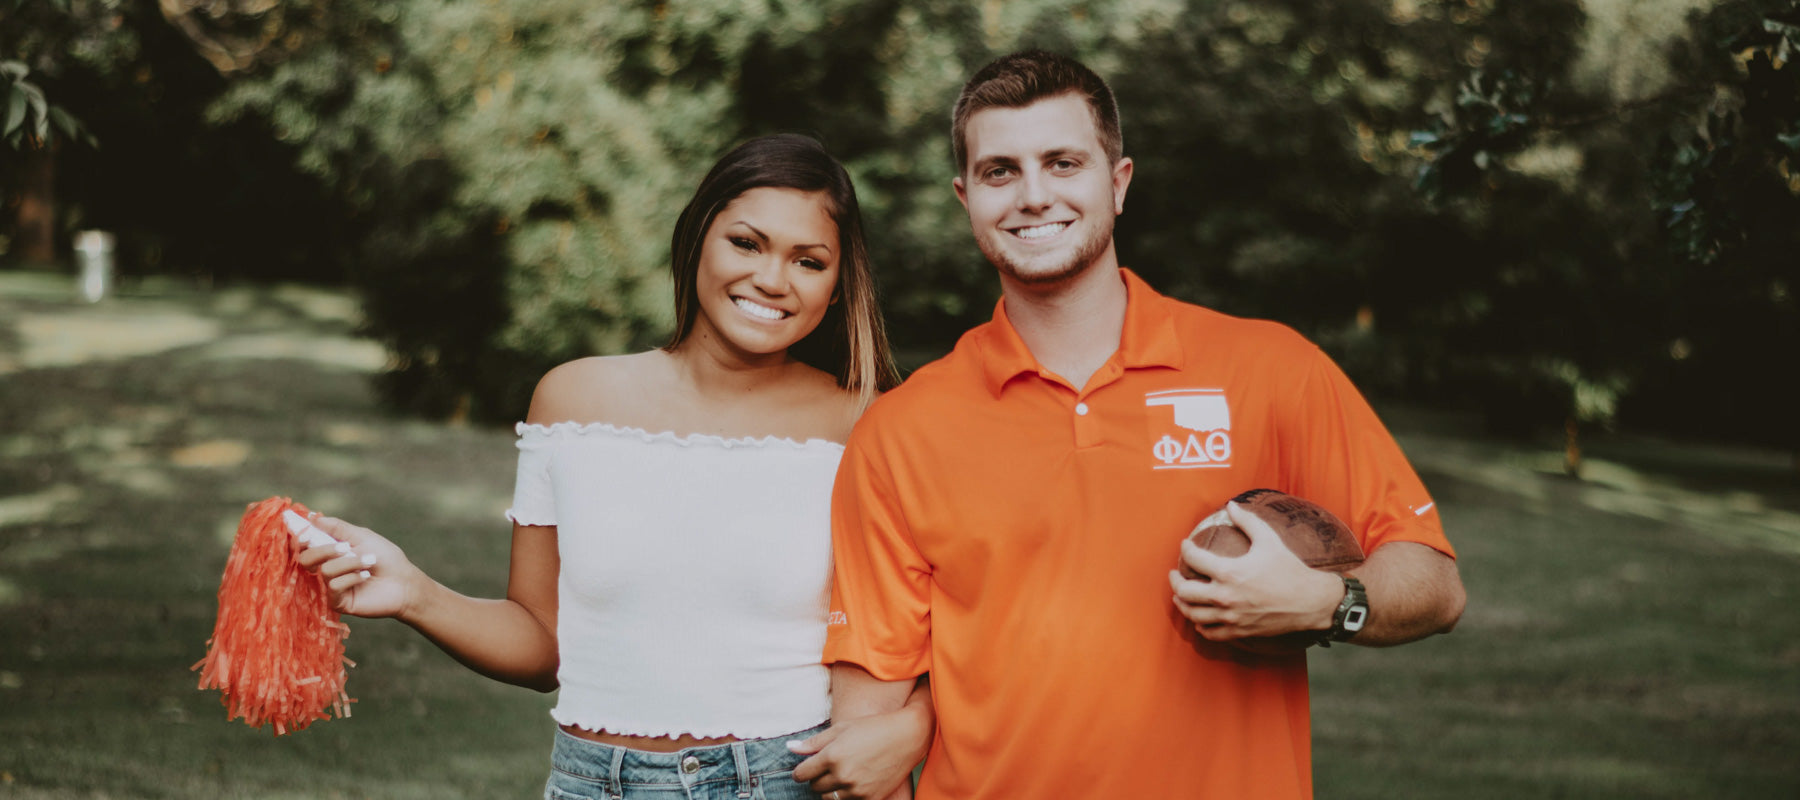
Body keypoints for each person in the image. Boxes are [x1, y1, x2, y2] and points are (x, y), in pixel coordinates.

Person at [822, 51, 1467, 799]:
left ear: (1118, 183)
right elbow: (868, 733)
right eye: (1001, 171)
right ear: (966, 198)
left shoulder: (1271, 367)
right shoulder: (901, 432)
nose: (1034, 195)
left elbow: (1435, 583)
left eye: (1063, 163)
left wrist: (1327, 603)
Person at [286, 134, 933, 800]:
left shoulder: (868, 422)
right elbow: (542, 645)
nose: (772, 279)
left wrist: (913, 727)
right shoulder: (572, 399)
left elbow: (951, 630)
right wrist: (413, 592)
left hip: (784, 779)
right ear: (696, 241)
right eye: (747, 243)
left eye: (809, 260)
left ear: (836, 285)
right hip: (593, 784)